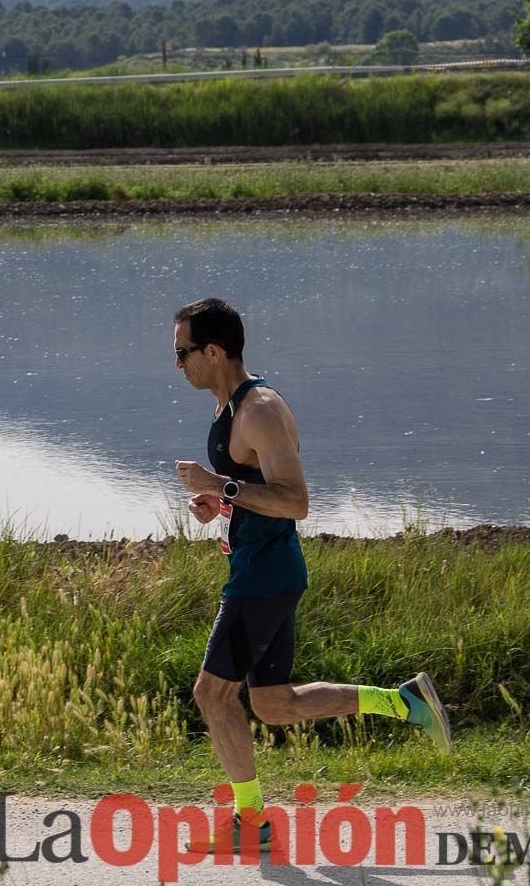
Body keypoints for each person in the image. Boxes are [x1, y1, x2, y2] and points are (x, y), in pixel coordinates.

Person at [173, 297, 451, 854]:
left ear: (214, 350)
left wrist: (219, 486)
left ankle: (250, 824)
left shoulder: (260, 410)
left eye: (183, 353)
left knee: (212, 695)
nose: (178, 365)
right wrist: (220, 503)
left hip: (262, 578)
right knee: (273, 702)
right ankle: (404, 702)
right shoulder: (226, 407)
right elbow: (256, 495)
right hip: (263, 571)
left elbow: (296, 502)